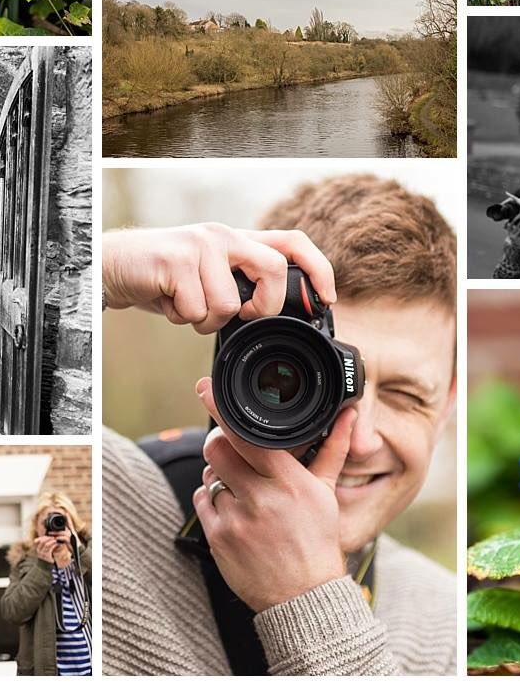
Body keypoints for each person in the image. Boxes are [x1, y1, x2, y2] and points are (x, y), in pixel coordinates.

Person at [100, 175, 457, 675]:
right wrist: (106, 264)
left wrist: (307, 595)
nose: (358, 439)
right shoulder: (105, 504)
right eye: (321, 382)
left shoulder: (448, 626)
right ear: (238, 363)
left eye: (405, 395)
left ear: (446, 406)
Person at [1, 492, 92, 676]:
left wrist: (79, 550)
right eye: (47, 521)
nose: (55, 526)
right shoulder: (24, 564)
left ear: (72, 523)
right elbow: (12, 612)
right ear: (36, 526)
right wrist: (42, 567)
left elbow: (113, 591)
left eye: (61, 520)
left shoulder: (89, 554)